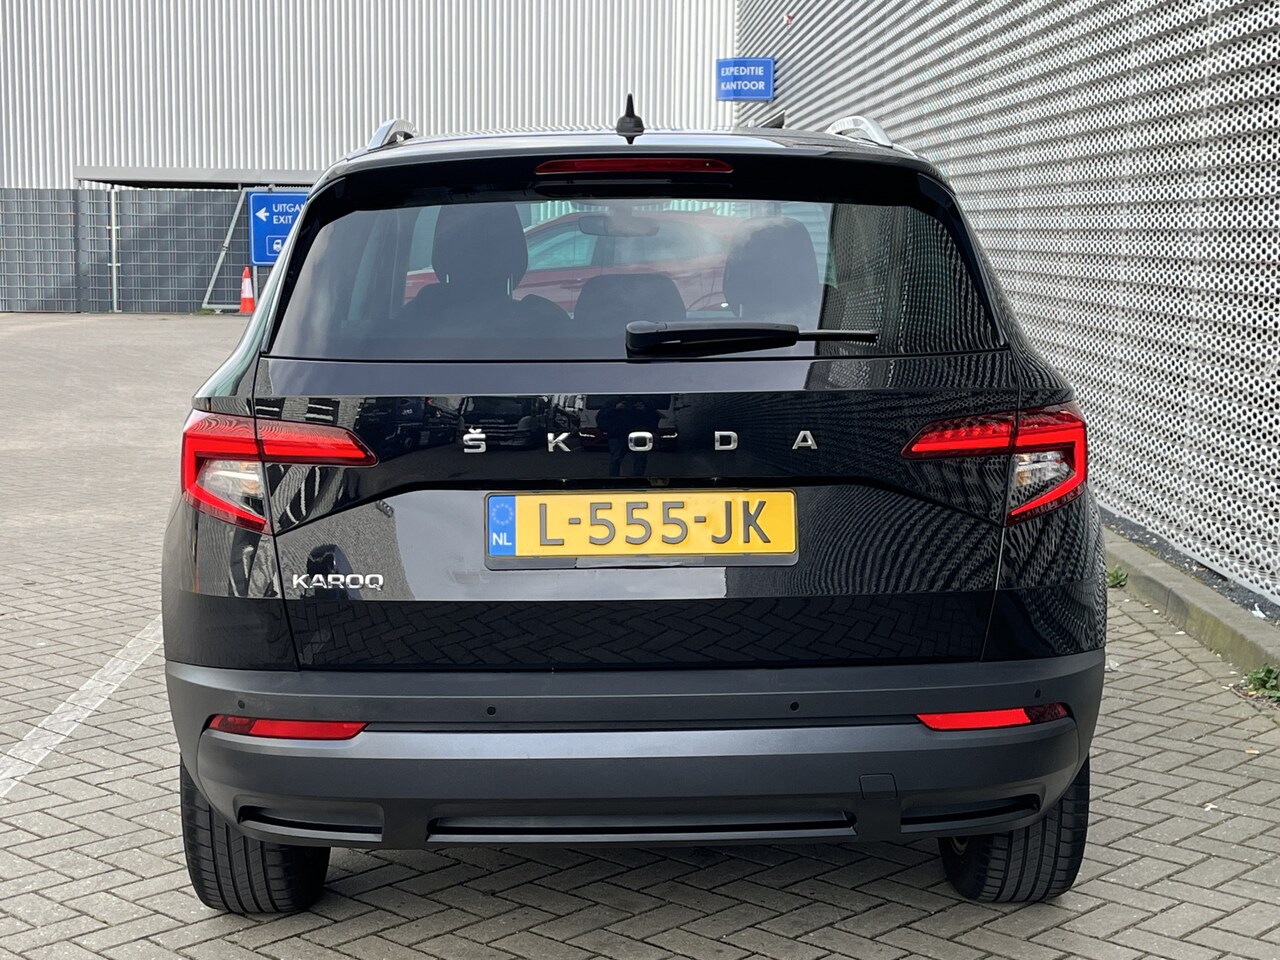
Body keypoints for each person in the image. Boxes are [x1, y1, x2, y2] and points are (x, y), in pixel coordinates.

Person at [598, 397, 661, 477]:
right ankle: (614, 478)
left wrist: (645, 410)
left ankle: (637, 478)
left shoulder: (643, 401)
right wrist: (614, 409)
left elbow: (655, 416)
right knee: (616, 458)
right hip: (618, 434)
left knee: (640, 457)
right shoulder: (612, 402)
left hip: (638, 434)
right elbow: (601, 416)